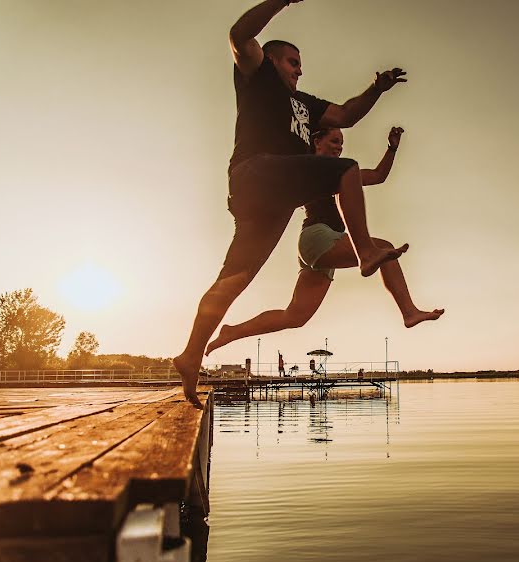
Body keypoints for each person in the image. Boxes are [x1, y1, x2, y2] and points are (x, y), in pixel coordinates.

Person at [173, 0, 409, 406]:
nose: (299, 69)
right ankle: (367, 251)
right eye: (292, 62)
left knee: (234, 279)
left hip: (272, 202)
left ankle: (190, 354)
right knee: (345, 168)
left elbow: (348, 114)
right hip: (256, 171)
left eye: (300, 64)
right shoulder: (257, 75)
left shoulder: (310, 106)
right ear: (271, 59)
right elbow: (239, 35)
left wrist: (377, 89)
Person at [204, 126, 444, 356]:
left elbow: (378, 176)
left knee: (295, 316)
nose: (339, 148)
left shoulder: (337, 173)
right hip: (319, 237)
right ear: (317, 142)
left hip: (321, 244)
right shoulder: (304, 168)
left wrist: (391, 149)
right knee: (383, 248)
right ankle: (409, 312)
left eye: (341, 144)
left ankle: (232, 332)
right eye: (334, 141)